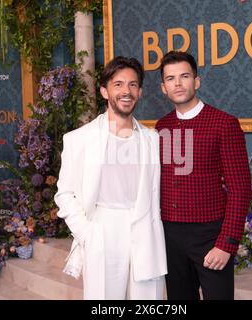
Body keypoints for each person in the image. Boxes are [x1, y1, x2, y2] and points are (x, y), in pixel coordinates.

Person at [54, 56, 167, 300]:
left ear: (140, 92)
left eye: (133, 84)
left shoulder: (153, 139)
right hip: (103, 231)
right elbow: (64, 193)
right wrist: (87, 233)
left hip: (145, 231)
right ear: (105, 91)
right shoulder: (79, 139)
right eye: (118, 84)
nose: (126, 91)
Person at [155, 51, 252, 300]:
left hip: (210, 235)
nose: (178, 83)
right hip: (170, 236)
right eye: (171, 78)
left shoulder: (224, 123)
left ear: (196, 81)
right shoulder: (161, 126)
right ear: (163, 87)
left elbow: (241, 190)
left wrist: (226, 244)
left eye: (184, 76)